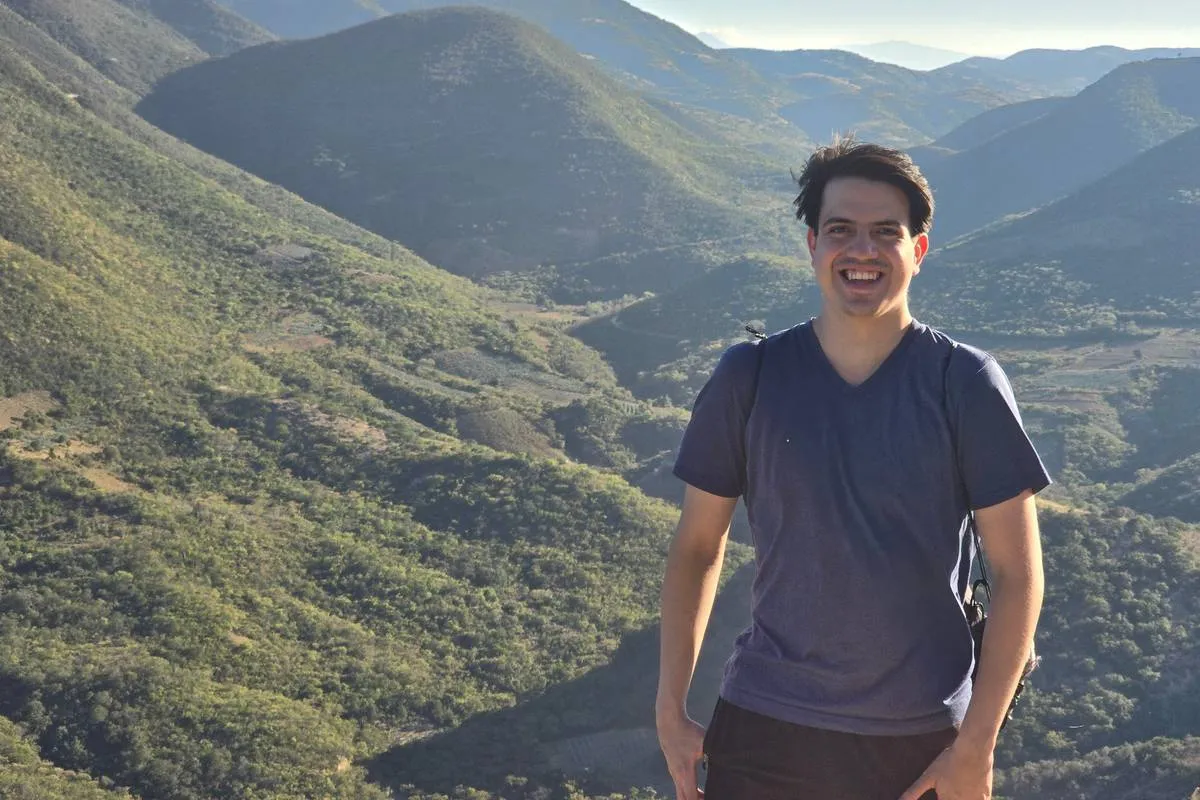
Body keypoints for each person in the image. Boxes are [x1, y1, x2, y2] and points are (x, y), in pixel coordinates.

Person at [655, 136, 1050, 800]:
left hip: (919, 744)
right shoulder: (750, 377)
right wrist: (669, 712)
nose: (861, 251)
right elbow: (697, 547)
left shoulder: (965, 385)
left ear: (917, 251)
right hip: (763, 730)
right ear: (812, 244)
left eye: (884, 233)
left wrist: (975, 749)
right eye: (841, 230)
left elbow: (1018, 576)